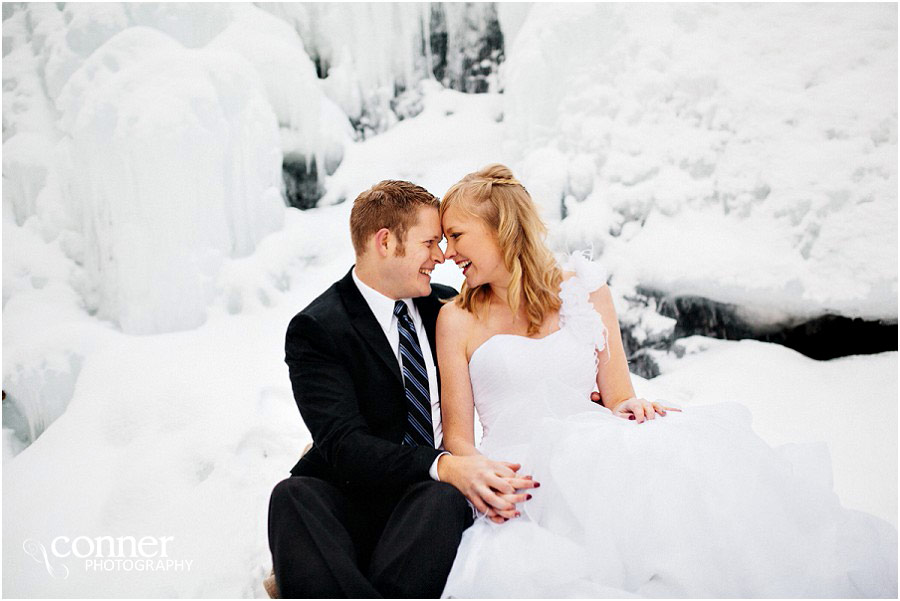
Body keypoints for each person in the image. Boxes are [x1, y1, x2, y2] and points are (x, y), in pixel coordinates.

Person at [436, 164, 898, 598]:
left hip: (594, 454)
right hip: (517, 476)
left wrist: (627, 408)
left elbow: (619, 394)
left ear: (501, 228)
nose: (448, 253)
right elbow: (458, 438)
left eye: (457, 236)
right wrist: (482, 478)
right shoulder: (455, 318)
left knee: (692, 479)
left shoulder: (585, 290)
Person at [267, 179, 537, 598]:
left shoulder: (448, 307)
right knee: (292, 497)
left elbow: (521, 340)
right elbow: (344, 446)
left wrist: (578, 398)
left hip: (423, 506)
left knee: (443, 499)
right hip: (350, 496)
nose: (440, 256)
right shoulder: (318, 328)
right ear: (385, 241)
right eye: (429, 243)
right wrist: (444, 464)